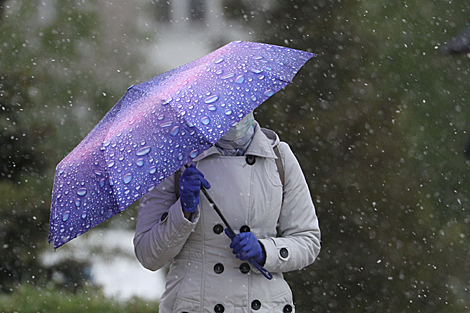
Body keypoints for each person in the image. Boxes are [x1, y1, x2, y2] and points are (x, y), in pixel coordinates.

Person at [134, 111, 321, 313]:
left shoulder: (279, 156)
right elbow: (149, 255)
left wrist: (265, 250)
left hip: (264, 305)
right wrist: (183, 212)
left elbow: (308, 240)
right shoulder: (177, 158)